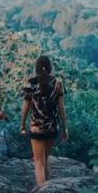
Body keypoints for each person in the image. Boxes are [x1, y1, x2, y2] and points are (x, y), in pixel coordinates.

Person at [20, 56, 68, 186]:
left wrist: (23, 125)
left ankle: (42, 191)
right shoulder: (57, 83)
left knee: (38, 162)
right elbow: (61, 108)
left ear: (36, 68)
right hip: (52, 127)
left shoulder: (30, 83)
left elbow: (26, 108)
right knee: (45, 159)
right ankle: (47, 188)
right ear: (51, 68)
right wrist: (65, 128)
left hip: (36, 127)